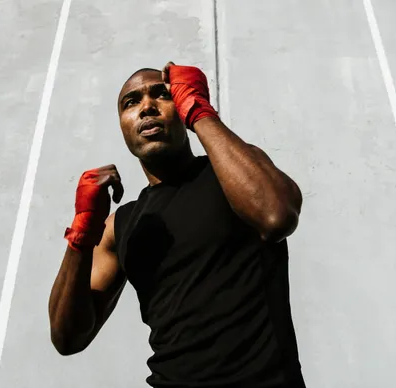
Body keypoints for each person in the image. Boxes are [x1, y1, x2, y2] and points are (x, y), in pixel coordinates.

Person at [48, 61, 306, 388]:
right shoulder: (121, 225)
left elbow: (276, 216)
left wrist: (200, 112)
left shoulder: (235, 176)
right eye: (131, 102)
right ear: (122, 125)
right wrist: (82, 231)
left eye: (162, 95)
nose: (147, 108)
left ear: (181, 105)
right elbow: (67, 338)